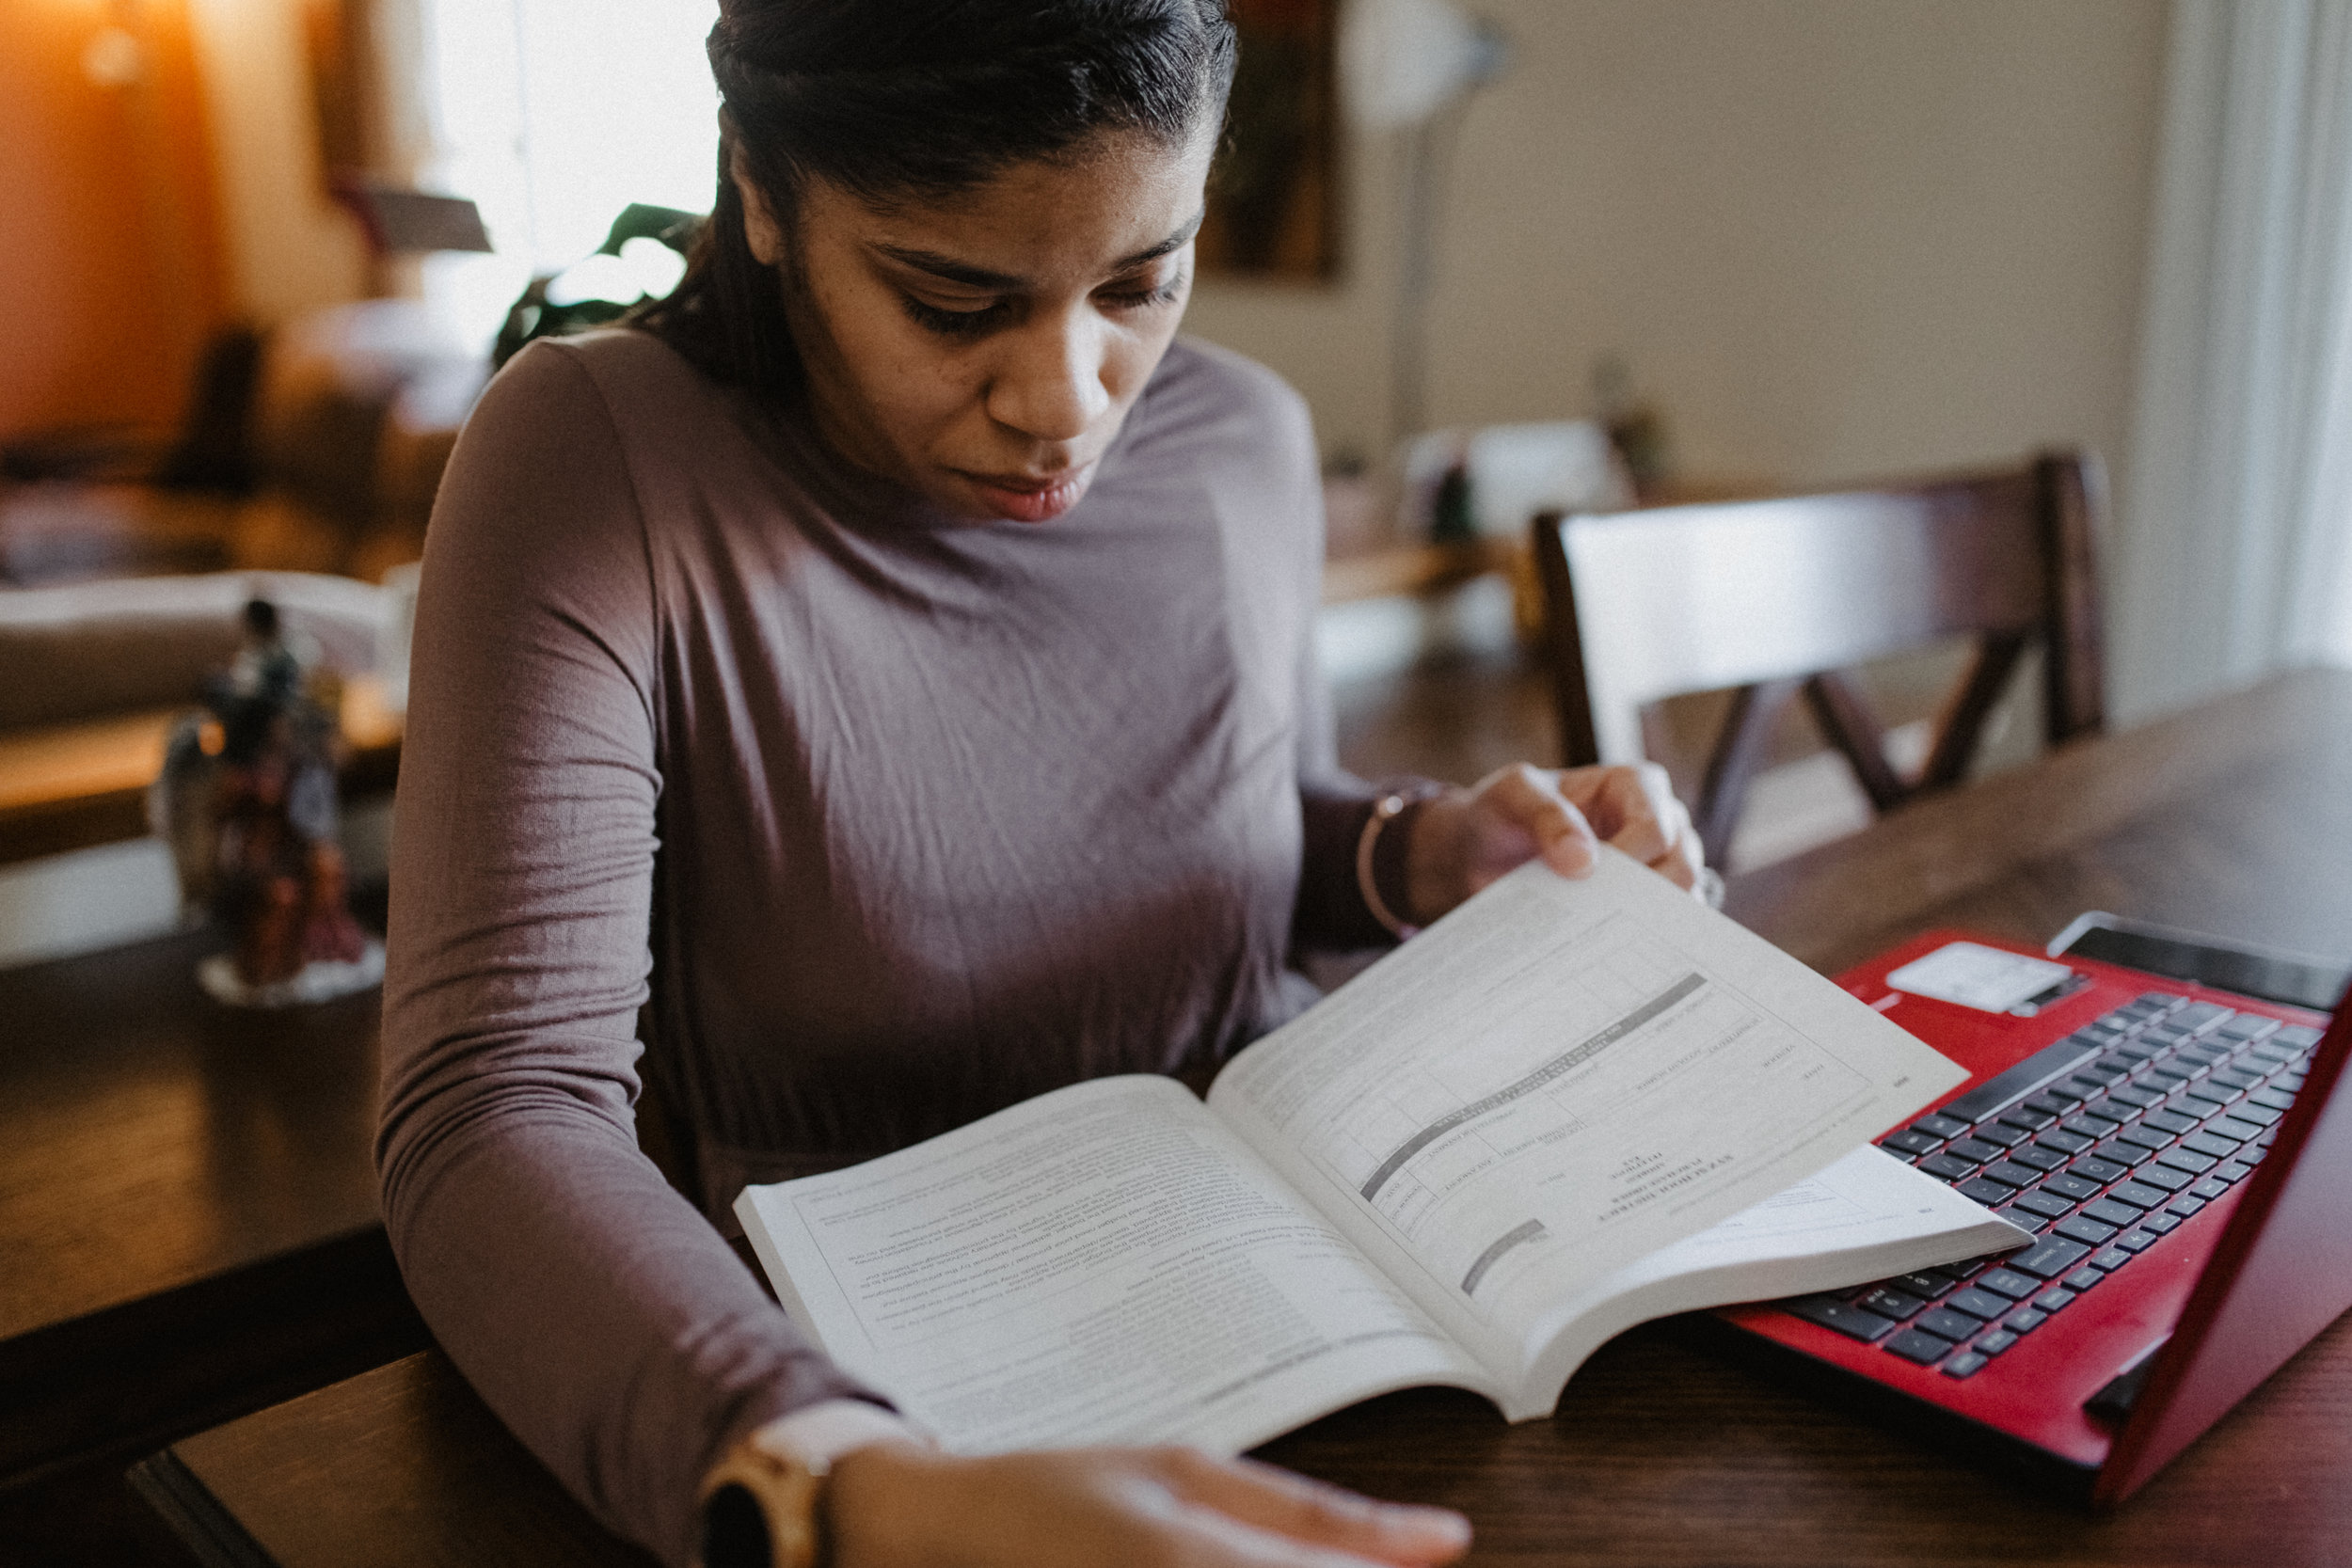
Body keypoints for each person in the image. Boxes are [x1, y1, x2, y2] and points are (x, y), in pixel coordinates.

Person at [377, 4, 1703, 1565]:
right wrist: (845, 1490)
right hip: (884, 1420)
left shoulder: (1242, 442)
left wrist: (1421, 855)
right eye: (954, 302)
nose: (1071, 397)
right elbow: (490, 1112)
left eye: (1143, 282)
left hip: (1337, 1337)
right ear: (761, 188)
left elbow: (1239, 837)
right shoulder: (599, 460)